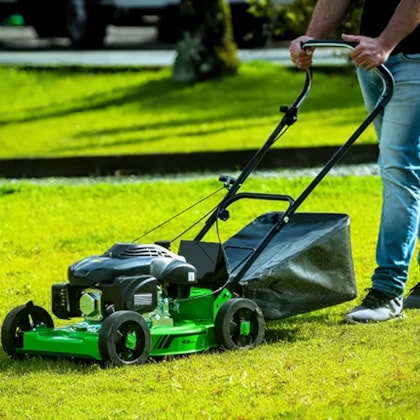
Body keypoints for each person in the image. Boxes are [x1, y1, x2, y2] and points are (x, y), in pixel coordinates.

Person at [289, 0, 420, 322]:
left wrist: (386, 43)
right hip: (371, 63)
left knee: (398, 171)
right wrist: (310, 38)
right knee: (407, 172)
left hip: (412, 59)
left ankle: (387, 292)